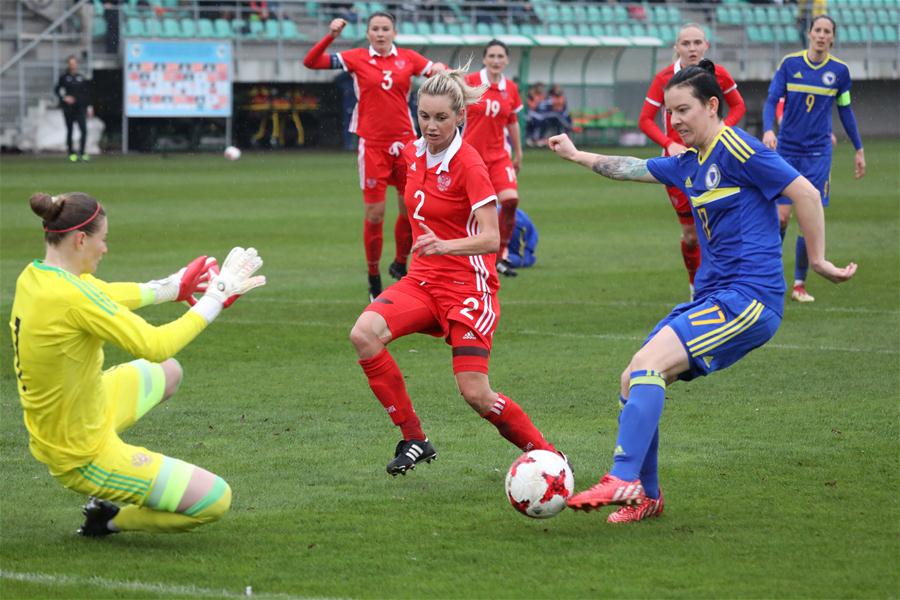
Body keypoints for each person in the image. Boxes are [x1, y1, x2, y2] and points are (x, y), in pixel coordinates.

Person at [548, 60, 856, 523]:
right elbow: (631, 166)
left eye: (684, 110)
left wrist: (817, 261)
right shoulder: (691, 162)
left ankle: (623, 477)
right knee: (633, 379)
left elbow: (806, 193)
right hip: (714, 298)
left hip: (749, 298)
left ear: (713, 106)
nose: (675, 121)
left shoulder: (736, 147)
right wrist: (575, 155)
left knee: (649, 366)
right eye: (670, 113)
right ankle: (646, 496)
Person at [10, 191, 266, 536]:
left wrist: (171, 288)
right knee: (214, 499)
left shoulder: (36, 276)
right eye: (104, 240)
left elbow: (102, 293)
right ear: (82, 239)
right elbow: (155, 344)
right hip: (79, 452)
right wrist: (214, 299)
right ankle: (108, 520)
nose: (106, 249)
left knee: (169, 373)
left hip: (79, 413)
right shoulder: (73, 298)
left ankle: (115, 484)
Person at [349, 65, 563, 476]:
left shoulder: (469, 163)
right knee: (364, 334)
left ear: (460, 116)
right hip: (423, 281)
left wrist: (445, 245)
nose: (430, 126)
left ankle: (550, 457)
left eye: (441, 118)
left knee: (476, 394)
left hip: (469, 285)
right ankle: (414, 438)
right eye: (424, 116)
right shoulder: (413, 154)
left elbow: (490, 239)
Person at [303, 12, 445, 301]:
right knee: (375, 214)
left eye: (385, 29)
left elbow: (436, 71)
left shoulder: (409, 58)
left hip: (406, 144)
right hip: (372, 145)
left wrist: (442, 69)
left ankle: (400, 262)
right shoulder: (356, 58)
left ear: (394, 32)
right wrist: (331, 36)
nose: (380, 34)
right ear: (368, 34)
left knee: (410, 209)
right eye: (375, 29)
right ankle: (373, 277)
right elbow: (311, 62)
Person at [639, 23, 746, 299]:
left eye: (697, 42)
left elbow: (738, 106)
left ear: (706, 46)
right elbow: (645, 120)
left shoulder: (717, 74)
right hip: (680, 168)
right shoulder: (664, 78)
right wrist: (669, 143)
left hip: (715, 162)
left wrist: (723, 130)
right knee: (691, 235)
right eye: (686, 43)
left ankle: (720, 288)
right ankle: (694, 288)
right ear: (676, 48)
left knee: (718, 230)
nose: (692, 48)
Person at [763, 15, 865, 303]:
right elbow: (772, 100)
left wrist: (858, 148)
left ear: (832, 38)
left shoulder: (840, 72)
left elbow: (845, 110)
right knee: (781, 216)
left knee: (808, 218)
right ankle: (770, 276)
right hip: (787, 151)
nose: (821, 35)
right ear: (809, 34)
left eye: (827, 32)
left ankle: (798, 284)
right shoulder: (790, 64)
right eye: (817, 30)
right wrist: (769, 129)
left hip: (818, 154)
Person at [463, 40, 525, 277]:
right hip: (471, 156)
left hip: (499, 156)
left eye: (501, 56)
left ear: (507, 60)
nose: (496, 60)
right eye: (492, 56)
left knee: (510, 201)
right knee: (469, 209)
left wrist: (518, 153)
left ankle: (500, 255)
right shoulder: (470, 82)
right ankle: (469, 257)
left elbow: (512, 121)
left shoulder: (510, 87)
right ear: (484, 58)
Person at [54, 55, 93, 162]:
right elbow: (57, 90)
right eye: (71, 63)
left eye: (74, 63)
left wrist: (89, 106)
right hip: (69, 108)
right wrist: (64, 98)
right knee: (70, 130)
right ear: (68, 65)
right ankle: (71, 153)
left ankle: (82, 152)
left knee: (83, 130)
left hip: (80, 107)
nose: (73, 65)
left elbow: (86, 93)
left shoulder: (81, 77)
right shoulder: (64, 78)